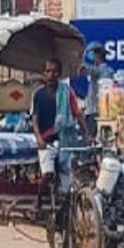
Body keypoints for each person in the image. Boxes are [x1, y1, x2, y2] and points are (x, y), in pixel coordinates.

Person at [32, 57, 90, 188]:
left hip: (65, 139)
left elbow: (78, 114)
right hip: (45, 141)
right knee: (47, 175)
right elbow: (34, 120)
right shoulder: (38, 94)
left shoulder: (67, 92)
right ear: (44, 73)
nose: (51, 75)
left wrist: (86, 134)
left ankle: (65, 202)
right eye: (48, 71)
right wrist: (39, 138)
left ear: (59, 74)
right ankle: (39, 201)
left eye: (54, 71)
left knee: (66, 174)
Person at [85, 43, 114, 141]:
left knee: (92, 139)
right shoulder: (106, 71)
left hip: (96, 111)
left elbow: (87, 68)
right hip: (100, 111)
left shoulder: (101, 70)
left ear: (96, 56)